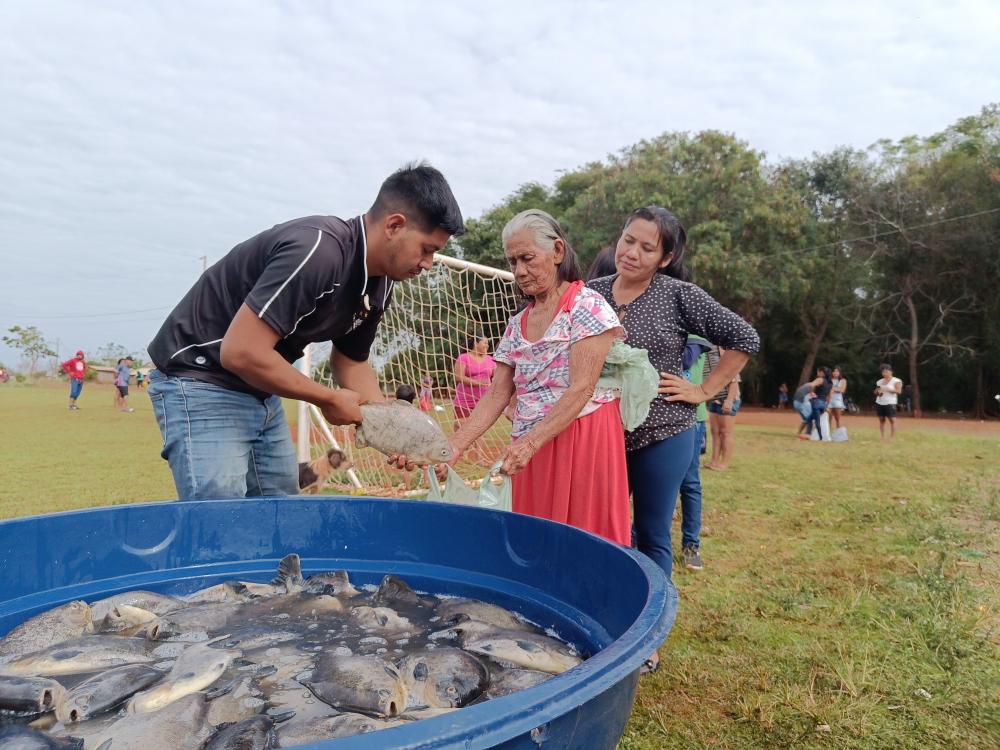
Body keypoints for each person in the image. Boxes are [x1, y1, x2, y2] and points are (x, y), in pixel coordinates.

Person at [146, 163, 465, 500]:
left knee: (281, 510)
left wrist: (390, 428)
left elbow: (351, 363)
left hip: (259, 390)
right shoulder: (319, 250)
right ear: (394, 225)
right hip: (201, 379)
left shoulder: (381, 283)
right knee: (219, 517)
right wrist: (327, 398)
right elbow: (240, 351)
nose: (429, 263)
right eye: (427, 249)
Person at [589, 205, 759, 673]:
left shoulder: (677, 295)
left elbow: (744, 337)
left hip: (664, 432)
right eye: (628, 240)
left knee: (651, 534)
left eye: (647, 248)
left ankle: (647, 640)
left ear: (665, 257)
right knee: (603, 530)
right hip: (601, 435)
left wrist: (704, 389)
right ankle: (605, 621)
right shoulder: (593, 292)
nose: (632, 253)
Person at [444, 209, 630, 549]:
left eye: (527, 258)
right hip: (531, 442)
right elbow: (496, 395)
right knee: (537, 540)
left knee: (582, 542)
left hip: (579, 437)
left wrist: (531, 442)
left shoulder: (586, 306)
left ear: (557, 251)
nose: (519, 271)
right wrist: (455, 446)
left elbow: (582, 387)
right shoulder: (517, 324)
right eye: (513, 261)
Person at [677, 335, 712, 571]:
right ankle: (636, 539)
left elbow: (687, 361)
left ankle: (691, 545)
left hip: (691, 420)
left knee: (689, 484)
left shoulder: (695, 338)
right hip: (657, 418)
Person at [452, 334, 497, 464]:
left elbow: (496, 377)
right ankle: (458, 451)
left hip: (483, 400)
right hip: (464, 399)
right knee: (460, 426)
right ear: (476, 344)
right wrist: (478, 383)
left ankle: (480, 459)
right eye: (485, 343)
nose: (487, 346)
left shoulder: (490, 359)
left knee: (479, 429)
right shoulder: (464, 357)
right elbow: (458, 377)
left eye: (487, 343)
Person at [704, 346, 743, 470]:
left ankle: (725, 463)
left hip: (729, 399)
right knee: (715, 432)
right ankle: (714, 462)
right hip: (715, 399)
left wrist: (729, 400)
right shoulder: (710, 357)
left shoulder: (727, 358)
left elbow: (734, 381)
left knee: (725, 433)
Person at [875, 363, 902, 440]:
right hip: (880, 402)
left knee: (892, 420)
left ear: (891, 372)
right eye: (883, 372)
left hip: (890, 403)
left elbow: (898, 391)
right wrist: (878, 392)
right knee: (881, 420)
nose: (884, 373)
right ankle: (882, 436)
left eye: (886, 371)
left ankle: (892, 437)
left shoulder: (897, 381)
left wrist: (888, 389)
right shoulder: (879, 381)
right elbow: (877, 392)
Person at [806, 367, 832, 441]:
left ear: (822, 373)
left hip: (817, 402)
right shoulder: (829, 383)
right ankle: (809, 434)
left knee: (816, 421)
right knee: (810, 419)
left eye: (818, 372)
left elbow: (811, 385)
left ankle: (819, 437)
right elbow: (830, 397)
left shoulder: (820, 379)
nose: (817, 373)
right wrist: (826, 406)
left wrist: (812, 393)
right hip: (823, 403)